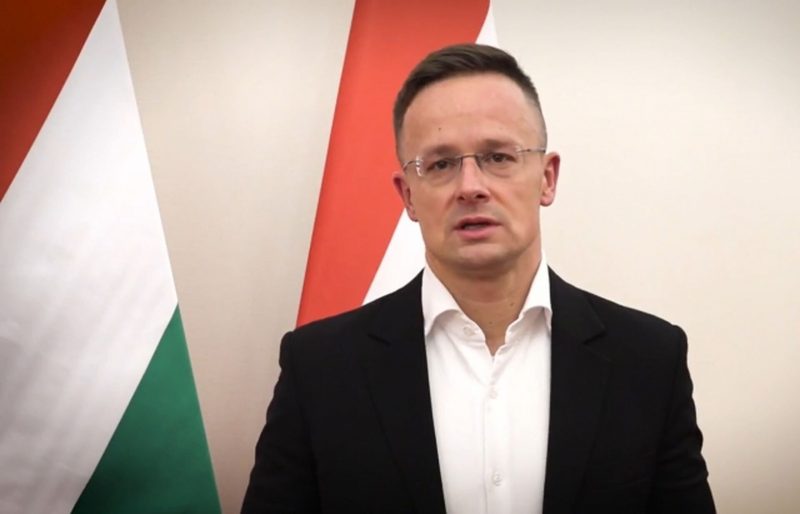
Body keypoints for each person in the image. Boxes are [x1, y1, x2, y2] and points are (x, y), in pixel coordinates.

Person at [241, 44, 715, 514]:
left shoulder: (650, 360)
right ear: (408, 195)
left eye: (499, 157)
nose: (470, 187)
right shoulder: (319, 368)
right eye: (441, 164)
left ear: (547, 178)